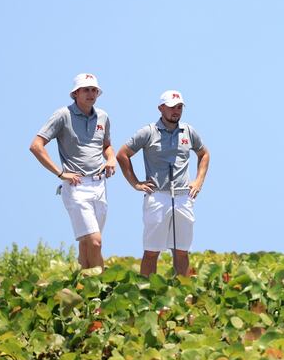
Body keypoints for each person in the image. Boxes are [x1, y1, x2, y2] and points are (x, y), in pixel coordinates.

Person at [117, 90, 210, 276]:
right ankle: (146, 293)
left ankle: (183, 297)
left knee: (182, 251)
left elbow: (204, 154)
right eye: (171, 107)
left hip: (184, 196)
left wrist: (198, 181)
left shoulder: (189, 131)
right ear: (161, 108)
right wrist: (136, 183)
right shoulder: (148, 131)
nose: (176, 111)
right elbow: (122, 154)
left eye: (179, 107)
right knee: (152, 251)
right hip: (158, 196)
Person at [30, 73, 116, 269]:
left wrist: (111, 158)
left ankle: (85, 289)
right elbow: (36, 145)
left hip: (100, 185)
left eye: (94, 90)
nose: (91, 94)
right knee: (95, 242)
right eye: (86, 89)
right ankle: (101, 288)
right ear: (75, 93)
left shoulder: (103, 117)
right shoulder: (63, 115)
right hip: (76, 186)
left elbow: (107, 146)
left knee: (87, 245)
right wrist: (60, 173)